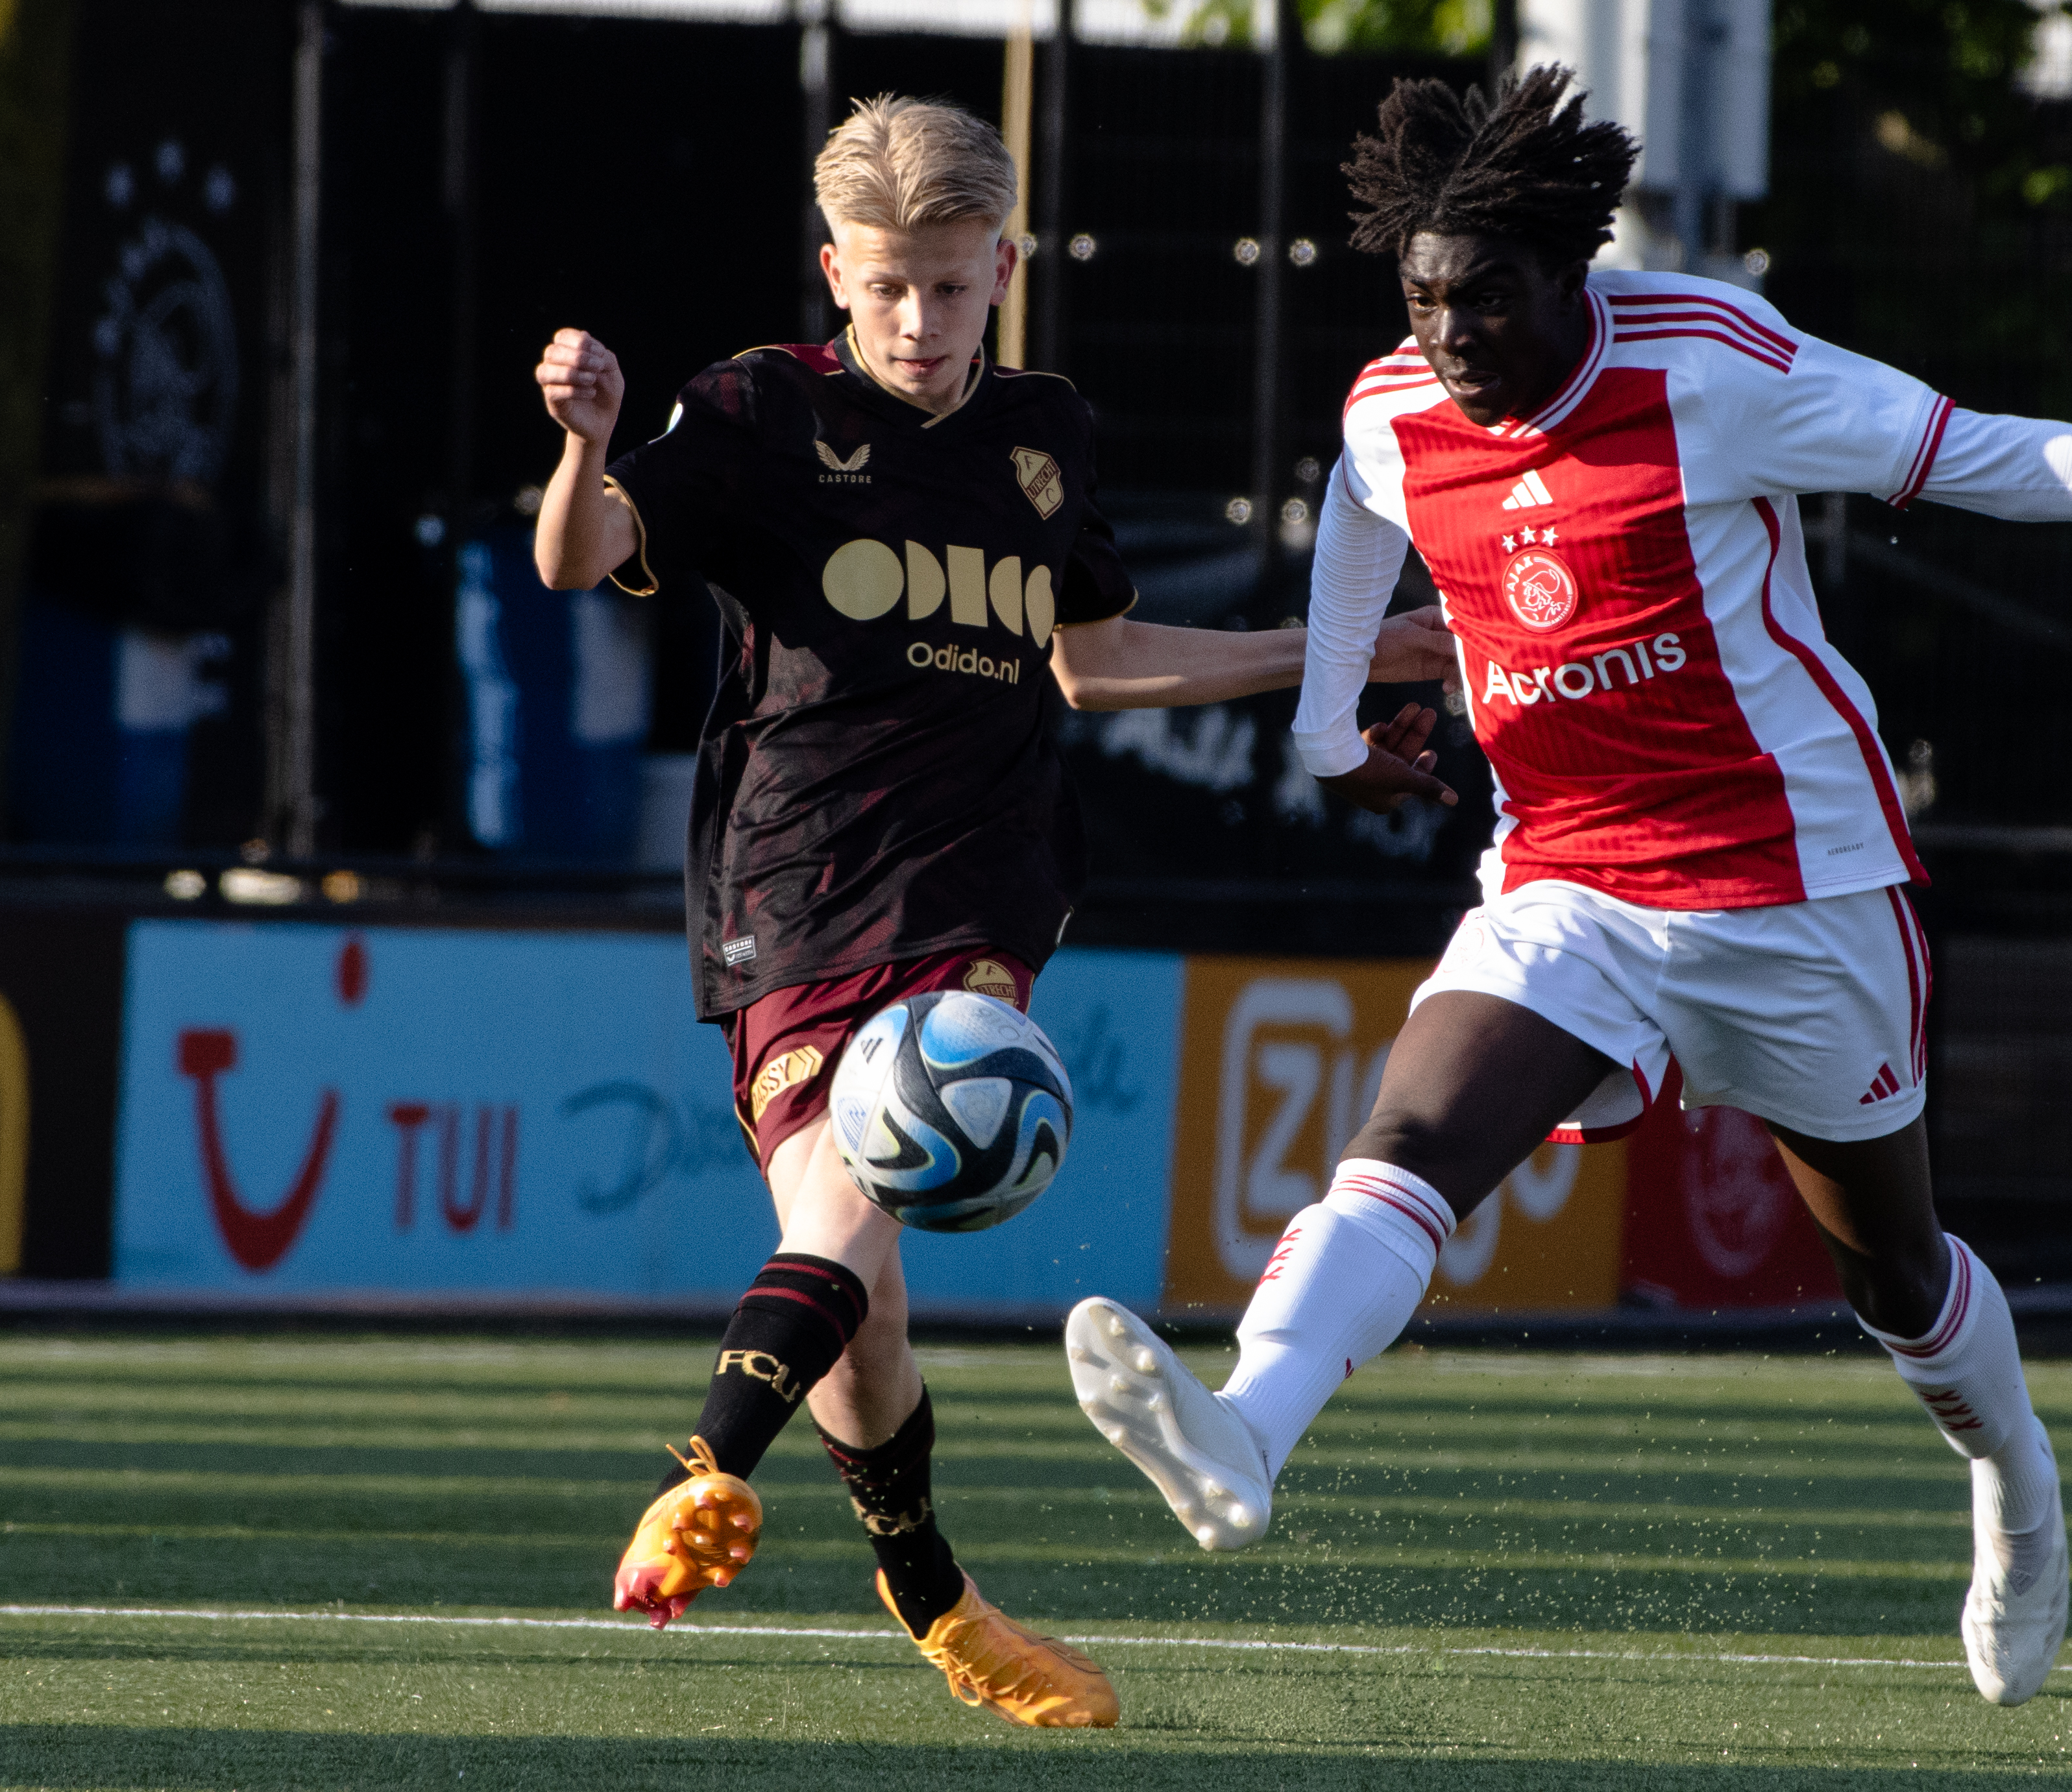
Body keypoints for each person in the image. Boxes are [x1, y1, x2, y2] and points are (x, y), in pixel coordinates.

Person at [1063, 66, 2072, 1708]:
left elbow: (1989, 456)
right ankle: (1246, 1427)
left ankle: (2012, 1475)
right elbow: (1359, 528)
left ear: (1569, 269)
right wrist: (1321, 734)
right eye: (1421, 297)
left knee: (1894, 1274)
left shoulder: (1712, 366)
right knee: (1412, 1139)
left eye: (1486, 299)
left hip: (1796, 892)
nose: (1449, 336)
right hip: (1568, 882)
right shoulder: (1396, 406)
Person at [531, 95, 1450, 1727]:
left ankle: (701, 1473)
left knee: (855, 1216)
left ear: (1002, 268)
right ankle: (936, 1599)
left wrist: (1345, 658)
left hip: (978, 890)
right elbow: (578, 554)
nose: (917, 321)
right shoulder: (755, 409)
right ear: (837, 274)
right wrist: (587, 439)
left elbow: (1091, 663)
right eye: (885, 287)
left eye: (948, 287)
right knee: (859, 1297)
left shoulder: (1046, 435)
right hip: (791, 886)